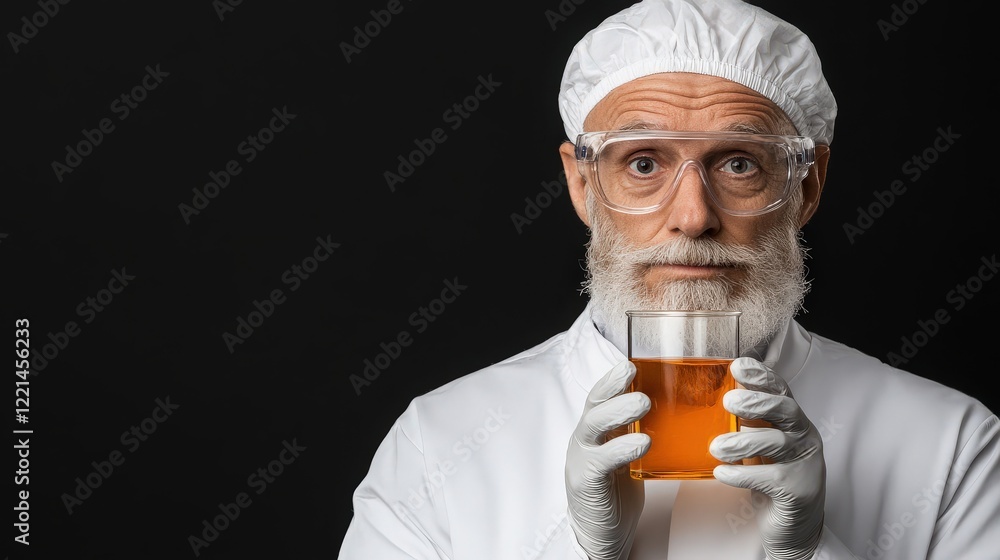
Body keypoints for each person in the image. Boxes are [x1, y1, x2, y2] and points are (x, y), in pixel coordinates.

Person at [338, 0, 1000, 558]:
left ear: (807, 186)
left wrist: (809, 553)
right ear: (581, 183)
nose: (692, 217)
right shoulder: (441, 444)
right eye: (644, 163)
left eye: (740, 163)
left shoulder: (948, 446)